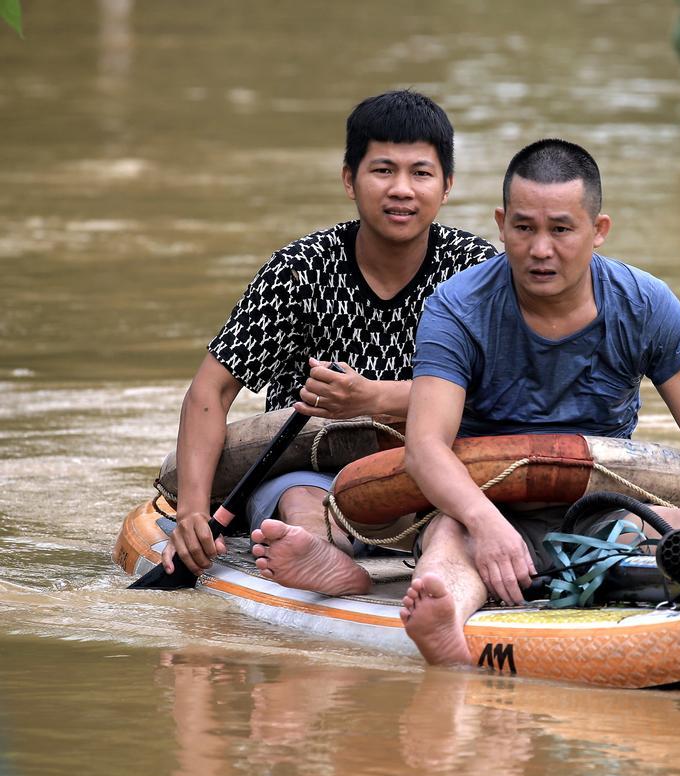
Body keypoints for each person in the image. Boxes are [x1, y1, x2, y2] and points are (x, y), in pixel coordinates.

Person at [398, 139, 680, 665]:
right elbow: (425, 446)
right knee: (448, 539)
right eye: (524, 228)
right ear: (501, 224)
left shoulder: (646, 304)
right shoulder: (457, 308)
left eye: (561, 230)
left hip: (600, 508)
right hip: (487, 506)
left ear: (598, 230)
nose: (541, 249)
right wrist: (486, 522)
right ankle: (444, 622)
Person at [161, 90, 497, 595]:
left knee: (454, 509)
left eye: (421, 173)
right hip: (310, 468)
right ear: (349, 180)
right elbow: (210, 392)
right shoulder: (298, 270)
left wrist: (374, 399)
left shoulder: (476, 272)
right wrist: (191, 512)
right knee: (299, 502)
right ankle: (317, 553)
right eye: (383, 170)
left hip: (434, 468)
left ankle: (440, 570)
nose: (402, 189)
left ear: (447, 186)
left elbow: (505, 389)